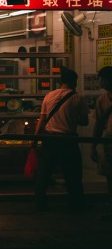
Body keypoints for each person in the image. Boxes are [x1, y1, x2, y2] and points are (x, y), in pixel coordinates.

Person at [33, 67, 89, 212]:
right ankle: (75, 205)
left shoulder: (49, 96)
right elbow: (84, 121)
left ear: (60, 81)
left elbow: (42, 120)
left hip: (49, 139)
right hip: (68, 140)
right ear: (74, 81)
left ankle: (40, 204)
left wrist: (35, 139)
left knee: (44, 174)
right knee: (73, 174)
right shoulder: (78, 98)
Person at [90, 66, 112, 218]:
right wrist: (93, 145)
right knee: (109, 176)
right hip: (108, 141)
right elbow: (98, 124)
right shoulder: (102, 99)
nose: (101, 82)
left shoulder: (103, 99)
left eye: (103, 78)